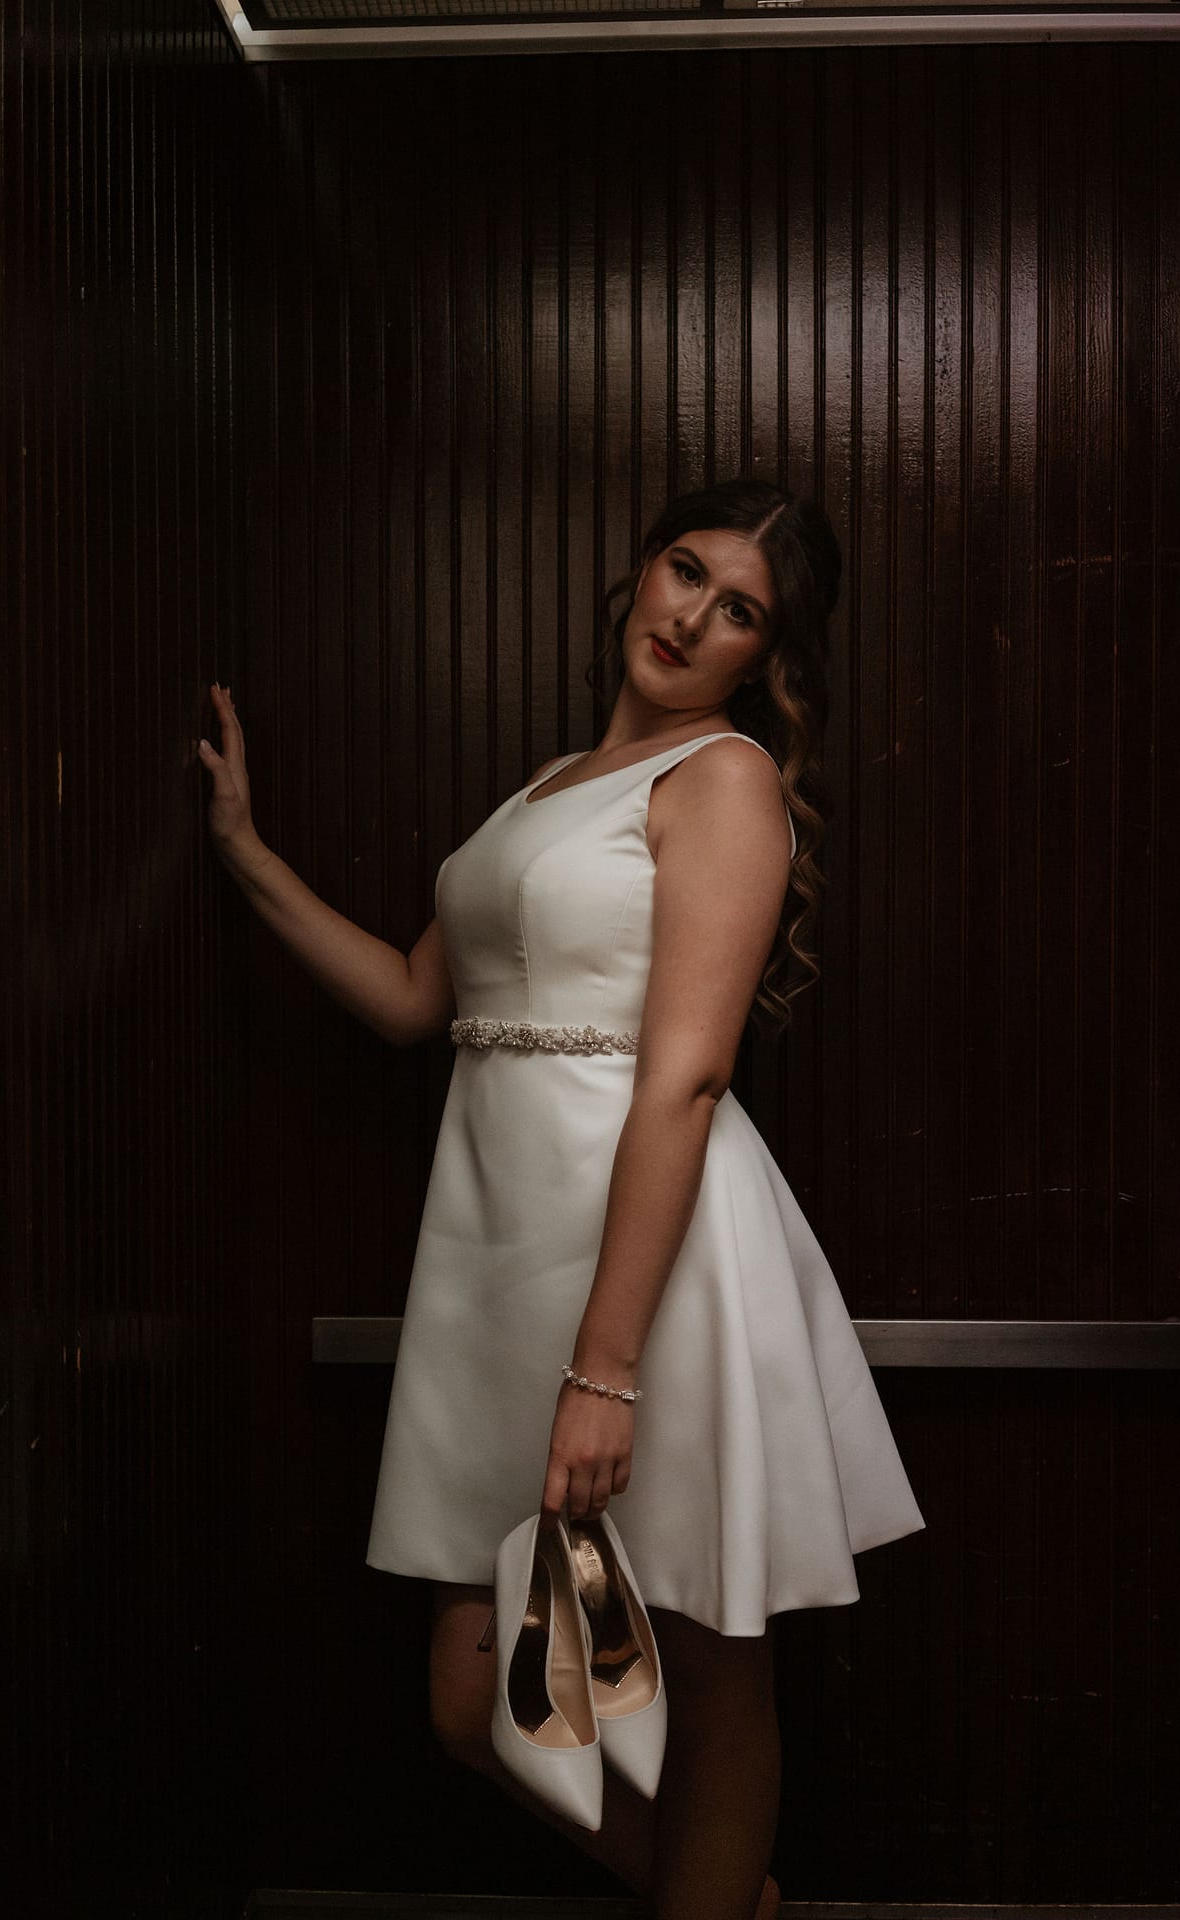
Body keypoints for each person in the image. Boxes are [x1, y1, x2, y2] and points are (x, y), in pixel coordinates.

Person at [199, 477, 926, 1920]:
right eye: (683, 569)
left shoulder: (723, 779)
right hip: (499, 1264)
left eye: (738, 613)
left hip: (658, 1265)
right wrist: (246, 854)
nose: (690, 616)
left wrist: (608, 1368)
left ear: (761, 662)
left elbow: (689, 1079)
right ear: (638, 574)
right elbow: (418, 1000)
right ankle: (728, 1901)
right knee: (476, 1705)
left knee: (714, 1673)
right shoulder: (544, 787)